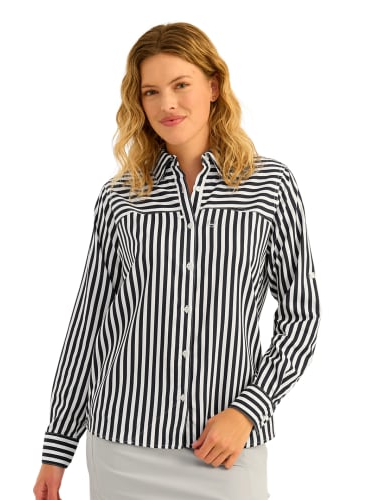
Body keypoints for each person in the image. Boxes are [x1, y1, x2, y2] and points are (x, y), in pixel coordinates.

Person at [33, 21, 320, 500]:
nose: (167, 103)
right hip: (123, 444)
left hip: (226, 447)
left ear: (213, 87)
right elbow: (90, 323)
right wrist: (57, 447)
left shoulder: (270, 186)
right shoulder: (121, 197)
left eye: (181, 85)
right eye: (151, 91)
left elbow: (302, 316)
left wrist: (248, 410)